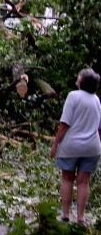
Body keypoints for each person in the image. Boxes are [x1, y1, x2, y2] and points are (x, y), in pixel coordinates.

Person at [50, 68, 101, 225]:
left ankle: (65, 214)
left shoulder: (73, 96)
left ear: (82, 80)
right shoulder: (96, 100)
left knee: (67, 178)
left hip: (71, 146)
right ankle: (80, 217)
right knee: (84, 182)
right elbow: (99, 128)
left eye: (79, 75)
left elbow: (64, 124)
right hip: (92, 147)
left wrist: (55, 143)